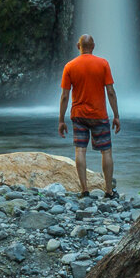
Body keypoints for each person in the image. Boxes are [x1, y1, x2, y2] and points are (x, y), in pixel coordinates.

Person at [57, 35, 120, 198]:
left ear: (78, 46)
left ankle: (84, 190)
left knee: (80, 150)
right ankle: (108, 191)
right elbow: (111, 92)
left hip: (78, 115)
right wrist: (116, 116)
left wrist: (61, 120)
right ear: (93, 46)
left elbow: (64, 96)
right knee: (106, 152)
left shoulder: (70, 66)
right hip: (99, 115)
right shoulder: (103, 64)